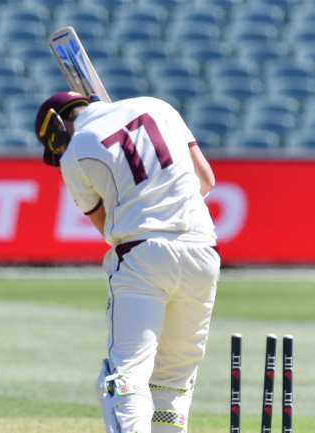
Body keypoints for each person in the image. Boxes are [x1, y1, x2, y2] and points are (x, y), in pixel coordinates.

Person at [34, 92, 220, 433]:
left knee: (124, 375)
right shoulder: (158, 105)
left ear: (58, 129)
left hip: (143, 255)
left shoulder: (74, 155)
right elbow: (206, 180)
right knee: (174, 378)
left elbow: (107, 228)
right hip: (202, 250)